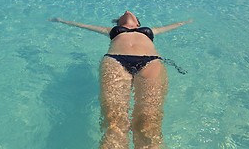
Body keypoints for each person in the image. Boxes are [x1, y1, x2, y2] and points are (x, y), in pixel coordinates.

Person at [50, 11, 192, 149]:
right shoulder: (112, 30)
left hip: (151, 62)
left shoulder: (149, 31)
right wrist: (62, 20)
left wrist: (188, 21)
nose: (127, 11)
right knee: (114, 123)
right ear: (118, 23)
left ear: (138, 22)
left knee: (148, 123)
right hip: (115, 61)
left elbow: (175, 25)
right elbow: (85, 26)